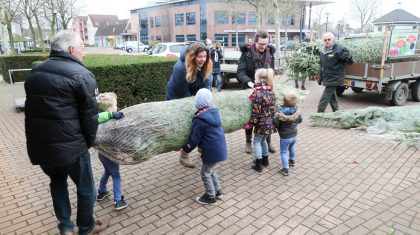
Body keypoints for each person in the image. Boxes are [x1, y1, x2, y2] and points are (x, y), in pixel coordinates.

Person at [24, 30, 109, 235]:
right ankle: (86, 227)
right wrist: (88, 143)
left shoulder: (35, 72)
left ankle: (66, 227)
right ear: (71, 50)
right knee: (86, 188)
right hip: (72, 147)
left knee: (57, 182)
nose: (84, 54)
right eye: (82, 49)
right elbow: (90, 117)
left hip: (43, 147)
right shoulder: (81, 74)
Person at [166, 41, 213, 168]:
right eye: (199, 57)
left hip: (195, 95)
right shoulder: (181, 68)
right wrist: (198, 110)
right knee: (192, 124)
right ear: (192, 56)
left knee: (205, 119)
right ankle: (184, 155)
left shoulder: (206, 63)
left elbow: (207, 85)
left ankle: (202, 147)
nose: (203, 59)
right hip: (177, 98)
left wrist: (207, 104)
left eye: (205, 56)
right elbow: (184, 94)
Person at [180, 88, 228, 205]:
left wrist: (185, 149)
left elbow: (195, 139)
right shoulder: (214, 113)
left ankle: (210, 196)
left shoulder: (200, 119)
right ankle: (218, 192)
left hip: (211, 152)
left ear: (197, 102)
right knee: (211, 170)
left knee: (205, 172)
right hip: (221, 150)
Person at [237, 30, 276, 154]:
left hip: (266, 91)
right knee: (250, 117)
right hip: (250, 89)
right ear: (255, 42)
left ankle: (267, 141)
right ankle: (248, 141)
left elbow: (272, 71)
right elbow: (240, 72)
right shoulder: (246, 53)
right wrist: (250, 83)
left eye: (265, 44)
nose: (263, 47)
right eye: (261, 44)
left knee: (267, 117)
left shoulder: (270, 52)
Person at [95, 92, 128, 211]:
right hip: (110, 153)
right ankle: (118, 200)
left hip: (102, 154)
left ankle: (101, 191)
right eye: (115, 105)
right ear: (109, 108)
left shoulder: (98, 116)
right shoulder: (108, 120)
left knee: (108, 171)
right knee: (116, 175)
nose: (117, 106)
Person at [248, 68, 277, 172]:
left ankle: (258, 164)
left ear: (258, 79)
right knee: (263, 140)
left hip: (261, 123)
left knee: (256, 141)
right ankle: (265, 160)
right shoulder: (271, 91)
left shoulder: (258, 93)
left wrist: (251, 124)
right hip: (270, 122)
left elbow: (256, 111)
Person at [318, 32, 354, 113]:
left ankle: (319, 113)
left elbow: (350, 61)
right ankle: (336, 111)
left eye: (329, 39)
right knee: (332, 96)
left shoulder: (339, 49)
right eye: (325, 40)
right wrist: (320, 77)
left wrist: (349, 58)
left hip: (335, 77)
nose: (327, 41)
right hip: (327, 77)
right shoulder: (323, 51)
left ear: (333, 40)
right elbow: (321, 65)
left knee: (326, 96)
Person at [273, 91, 303, 176]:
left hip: (285, 136)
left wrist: (274, 119)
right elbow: (300, 120)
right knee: (292, 146)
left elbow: (277, 124)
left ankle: (285, 169)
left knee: (283, 152)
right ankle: (292, 161)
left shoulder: (281, 113)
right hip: (294, 135)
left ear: (284, 101)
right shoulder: (297, 110)